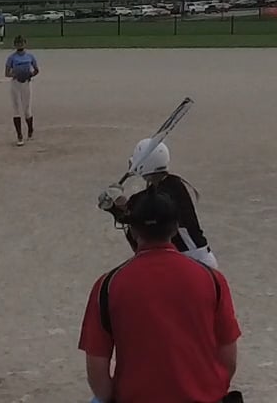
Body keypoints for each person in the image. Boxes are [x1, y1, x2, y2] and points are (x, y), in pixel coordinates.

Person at [80, 185, 242, 403]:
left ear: (133, 231)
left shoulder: (107, 285)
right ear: (175, 228)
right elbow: (228, 359)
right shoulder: (212, 279)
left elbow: (97, 370)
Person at [105, 139, 217, 268]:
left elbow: (136, 214)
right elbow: (133, 218)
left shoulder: (165, 193)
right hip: (188, 259)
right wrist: (112, 208)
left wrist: (118, 200)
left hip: (194, 261)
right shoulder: (172, 184)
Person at [5, 36, 38, 144]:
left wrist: (30, 74)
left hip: (26, 84)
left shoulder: (30, 56)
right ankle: (19, 135)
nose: (20, 45)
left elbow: (36, 70)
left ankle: (30, 129)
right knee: (16, 109)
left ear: (25, 43)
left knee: (27, 109)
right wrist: (15, 74)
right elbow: (7, 73)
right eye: (17, 43)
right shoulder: (11, 58)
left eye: (21, 43)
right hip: (16, 84)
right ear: (15, 45)